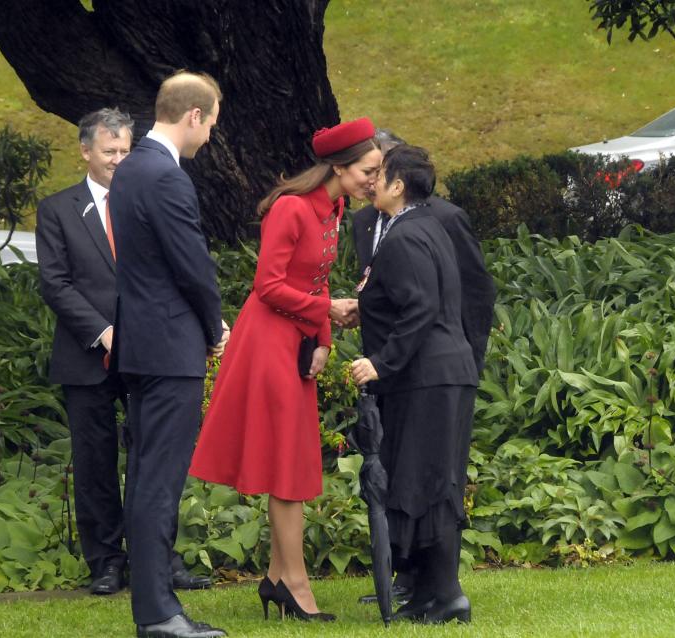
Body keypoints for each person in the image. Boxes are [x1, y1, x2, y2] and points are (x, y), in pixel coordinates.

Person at [189, 118, 382, 622]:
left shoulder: (335, 205)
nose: (374, 181)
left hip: (295, 341)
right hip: (266, 344)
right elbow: (268, 286)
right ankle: (294, 584)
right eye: (368, 170)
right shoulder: (292, 208)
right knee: (287, 468)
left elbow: (315, 282)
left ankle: (277, 579)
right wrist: (325, 315)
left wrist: (322, 338)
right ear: (339, 167)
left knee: (291, 461)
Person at [35, 108, 214, 599]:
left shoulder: (143, 196)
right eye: (108, 151)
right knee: (94, 462)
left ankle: (157, 557)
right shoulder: (57, 210)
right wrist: (103, 331)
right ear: (85, 151)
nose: (117, 160)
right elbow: (55, 283)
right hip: (88, 355)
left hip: (148, 350)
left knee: (151, 458)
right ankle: (106, 562)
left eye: (124, 151)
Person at [340, 129, 497, 606]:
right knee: (430, 480)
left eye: (381, 175)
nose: (373, 183)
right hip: (433, 372)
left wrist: (380, 363)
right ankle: (430, 591)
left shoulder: (408, 235)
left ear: (400, 185)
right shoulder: (422, 226)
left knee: (429, 481)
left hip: (430, 373)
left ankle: (446, 595)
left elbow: (422, 307)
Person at [109, 71, 230, 638]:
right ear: (193, 116)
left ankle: (155, 607)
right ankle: (157, 613)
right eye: (211, 124)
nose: (209, 137)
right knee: (159, 480)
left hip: (141, 344)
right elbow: (193, 266)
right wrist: (215, 327)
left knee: (147, 478)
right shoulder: (166, 177)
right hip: (168, 348)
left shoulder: (131, 168)